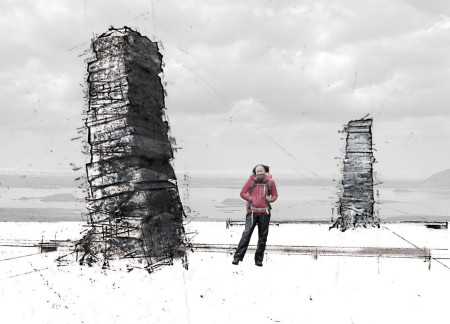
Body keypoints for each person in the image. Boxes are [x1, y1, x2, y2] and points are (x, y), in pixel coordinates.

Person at [232, 164, 278, 267]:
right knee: (246, 234)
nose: (260, 173)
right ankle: (237, 258)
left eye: (262, 171)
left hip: (265, 213)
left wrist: (270, 199)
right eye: (258, 171)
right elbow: (242, 193)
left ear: (265, 172)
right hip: (252, 212)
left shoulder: (270, 182)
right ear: (255, 172)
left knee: (262, 237)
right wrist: (250, 198)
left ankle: (258, 260)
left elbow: (275, 195)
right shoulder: (251, 181)